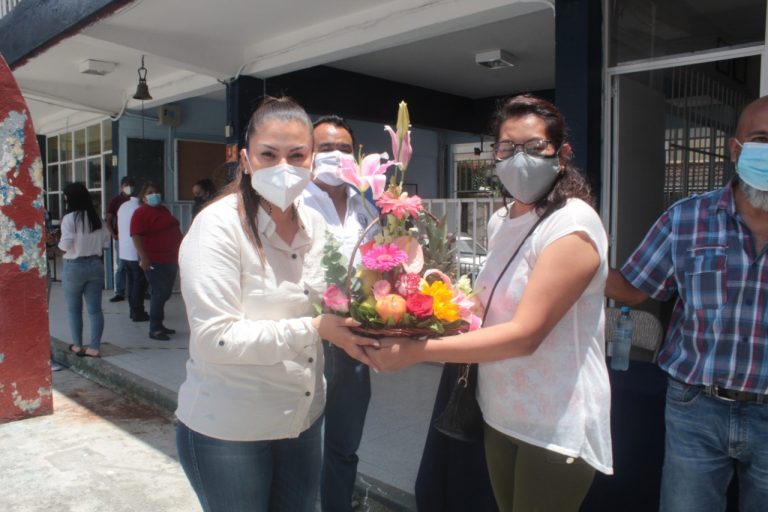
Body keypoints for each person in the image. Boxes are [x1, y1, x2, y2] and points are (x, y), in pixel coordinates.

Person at [367, 94, 613, 512]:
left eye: (535, 147)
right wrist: (433, 304)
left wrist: (416, 351)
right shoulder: (504, 221)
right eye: (507, 148)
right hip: (500, 410)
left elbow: (524, 335)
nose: (519, 159)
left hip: (554, 420)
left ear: (562, 153)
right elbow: (486, 309)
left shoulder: (572, 224)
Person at [175, 97, 380, 512]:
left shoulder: (313, 222)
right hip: (231, 428)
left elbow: (332, 299)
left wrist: (387, 299)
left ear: (309, 160)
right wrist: (315, 329)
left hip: (302, 420)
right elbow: (217, 338)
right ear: (245, 159)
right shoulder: (217, 226)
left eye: (296, 154)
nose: (283, 166)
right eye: (269, 154)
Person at [605, 96, 768, 512]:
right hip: (696, 406)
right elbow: (633, 288)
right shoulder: (685, 219)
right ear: (736, 149)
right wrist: (566, 253)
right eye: (762, 139)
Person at [302, 115, 377, 512]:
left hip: (352, 340)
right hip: (305, 338)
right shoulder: (294, 202)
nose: (335, 156)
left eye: (344, 149)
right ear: (309, 154)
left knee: (344, 444)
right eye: (325, 148)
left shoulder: (365, 204)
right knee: (299, 441)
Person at [58, 182, 111, 358]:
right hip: (95, 265)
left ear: (70, 198)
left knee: (74, 309)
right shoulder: (97, 218)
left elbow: (65, 245)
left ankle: (78, 346)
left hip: (74, 267)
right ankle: (94, 347)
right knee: (95, 310)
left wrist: (57, 244)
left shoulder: (69, 219)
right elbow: (105, 244)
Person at [130, 182, 183, 341]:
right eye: (150, 192)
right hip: (155, 259)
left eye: (156, 191)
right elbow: (135, 235)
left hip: (170, 258)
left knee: (165, 292)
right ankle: (155, 328)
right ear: (144, 197)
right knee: (159, 293)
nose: (155, 194)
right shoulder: (140, 213)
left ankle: (159, 324)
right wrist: (144, 257)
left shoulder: (163, 210)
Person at [116, 186, 149, 322]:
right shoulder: (140, 209)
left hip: (124, 252)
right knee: (139, 284)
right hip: (136, 251)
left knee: (131, 283)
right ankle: (137, 312)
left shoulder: (123, 206)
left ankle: (133, 310)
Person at [105, 176, 134, 302]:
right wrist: (113, 234)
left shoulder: (135, 201)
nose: (129, 188)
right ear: (121, 186)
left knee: (138, 265)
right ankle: (120, 292)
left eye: (131, 185)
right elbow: (108, 219)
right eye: (126, 185)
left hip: (135, 237)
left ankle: (141, 291)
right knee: (121, 266)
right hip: (121, 239)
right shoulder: (116, 201)